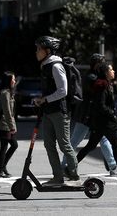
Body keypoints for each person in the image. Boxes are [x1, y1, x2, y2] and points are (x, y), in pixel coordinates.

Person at [62, 53, 117, 176]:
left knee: (103, 140)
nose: (105, 66)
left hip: (93, 116)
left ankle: (113, 166)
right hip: (86, 116)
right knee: (75, 141)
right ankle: (65, 166)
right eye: (103, 63)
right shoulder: (92, 78)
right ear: (98, 64)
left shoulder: (96, 77)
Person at [33, 36, 79, 186]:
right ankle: (57, 177)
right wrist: (41, 99)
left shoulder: (55, 65)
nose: (36, 52)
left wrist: (45, 99)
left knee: (64, 144)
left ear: (47, 51)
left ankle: (73, 174)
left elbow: (63, 91)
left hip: (59, 111)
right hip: (48, 111)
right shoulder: (45, 65)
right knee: (48, 145)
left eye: (39, 49)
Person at [76, 63, 117, 179]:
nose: (113, 72)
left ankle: (70, 167)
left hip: (100, 122)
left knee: (90, 146)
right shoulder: (102, 85)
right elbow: (100, 105)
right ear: (106, 72)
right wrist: (112, 113)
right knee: (116, 145)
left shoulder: (105, 84)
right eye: (111, 70)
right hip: (105, 122)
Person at [0, 71, 18, 178]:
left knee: (14, 145)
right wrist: (12, 126)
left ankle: (2, 167)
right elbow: (7, 111)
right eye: (13, 79)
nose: (14, 81)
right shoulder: (5, 93)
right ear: (8, 81)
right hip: (4, 124)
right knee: (3, 148)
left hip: (7, 123)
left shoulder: (8, 92)